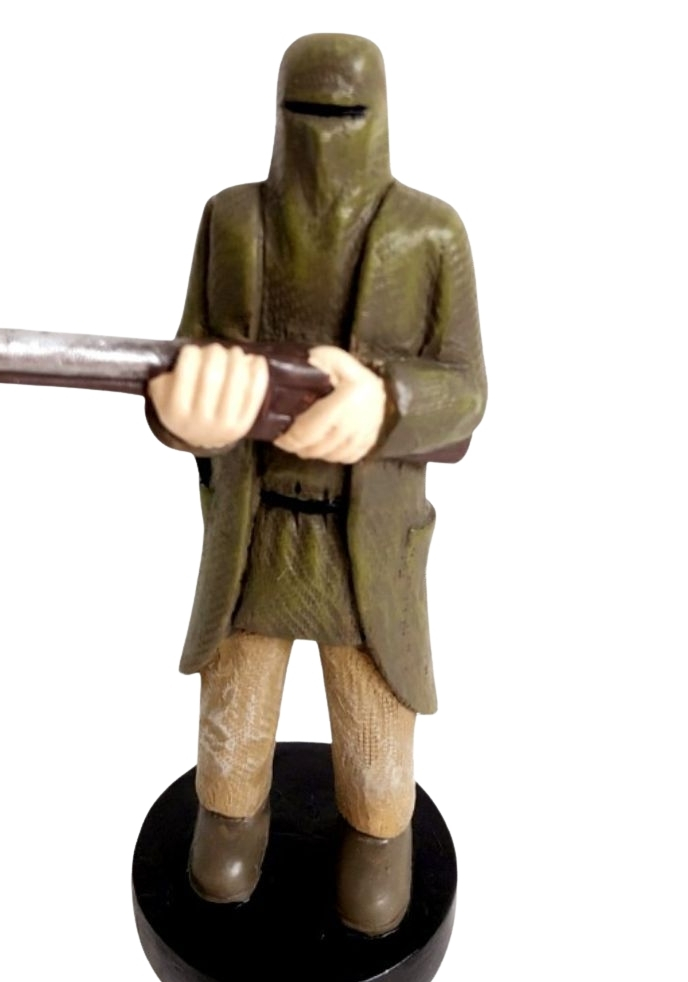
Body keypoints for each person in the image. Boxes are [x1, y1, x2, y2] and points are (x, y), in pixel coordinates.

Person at [146, 34, 486, 915]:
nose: (326, 132)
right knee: (234, 718)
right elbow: (186, 360)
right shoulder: (232, 222)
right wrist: (185, 414)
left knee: (375, 737)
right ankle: (231, 820)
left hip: (364, 542)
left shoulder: (429, 233)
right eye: (309, 110)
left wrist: (386, 403)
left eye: (346, 113)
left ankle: (380, 836)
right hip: (255, 530)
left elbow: (467, 392)